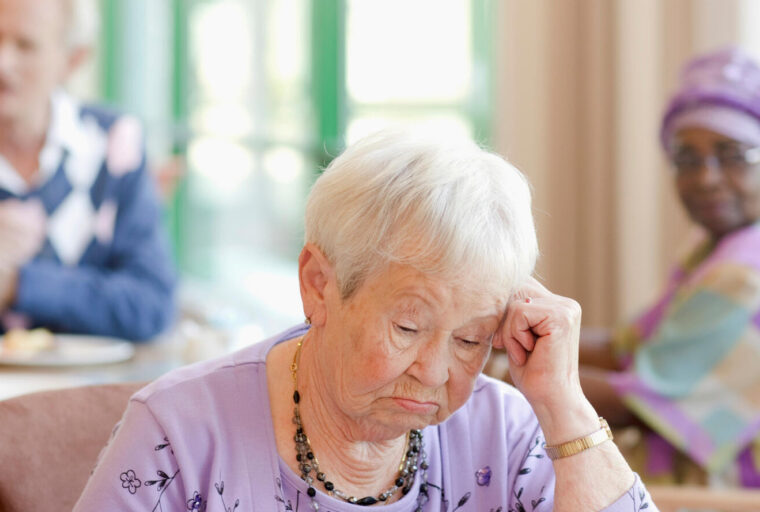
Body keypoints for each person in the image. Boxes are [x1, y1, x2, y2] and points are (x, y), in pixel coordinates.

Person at [74, 129, 657, 511]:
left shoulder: (505, 432)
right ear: (319, 285)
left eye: (471, 338)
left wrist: (564, 406)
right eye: (407, 327)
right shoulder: (180, 433)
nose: (433, 372)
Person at [578, 47, 760, 487]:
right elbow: (628, 347)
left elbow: (643, 400)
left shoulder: (743, 273)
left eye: (733, 154)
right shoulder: (710, 248)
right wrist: (503, 325)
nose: (706, 177)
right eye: (686, 159)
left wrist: (503, 375)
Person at [0, 0, 176, 341]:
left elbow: (152, 305)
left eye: (25, 45)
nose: (1, 63)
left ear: (73, 59)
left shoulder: (113, 144)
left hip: (85, 389)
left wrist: (17, 284)